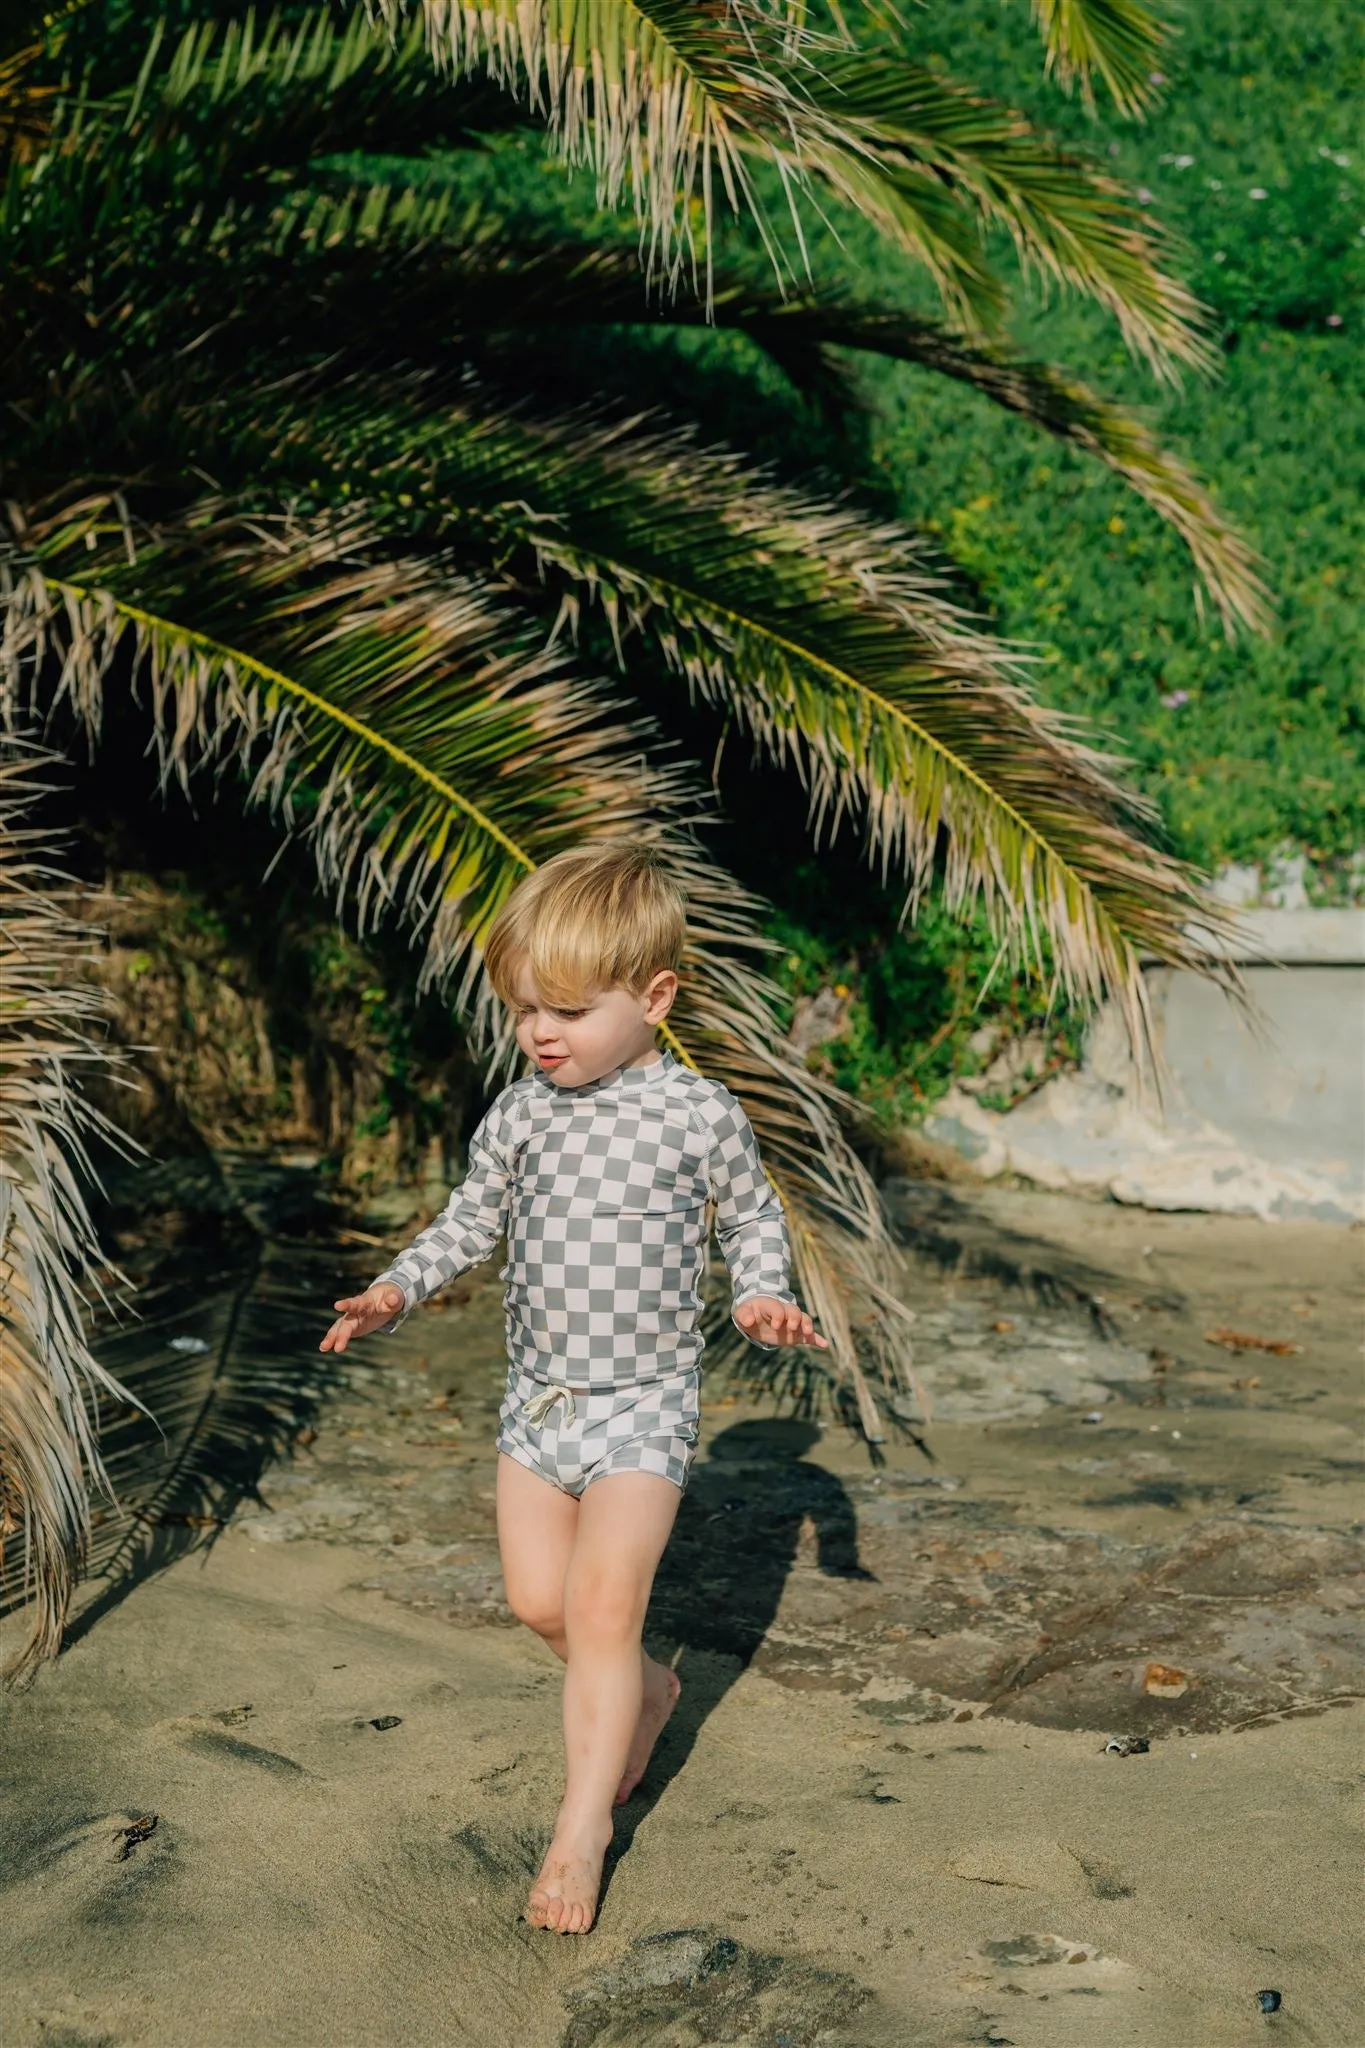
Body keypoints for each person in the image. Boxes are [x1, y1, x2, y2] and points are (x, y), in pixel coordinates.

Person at [319, 843, 826, 1935]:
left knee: (601, 1607)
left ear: (653, 997)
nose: (541, 1031)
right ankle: (646, 1689)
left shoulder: (696, 1115)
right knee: (539, 1604)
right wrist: (393, 1290)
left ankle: (581, 1828)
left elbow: (749, 1219)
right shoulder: (519, 1114)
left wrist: (757, 1296)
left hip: (643, 1402)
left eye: (566, 1008)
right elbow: (467, 1220)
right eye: (522, 1011)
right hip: (537, 1404)